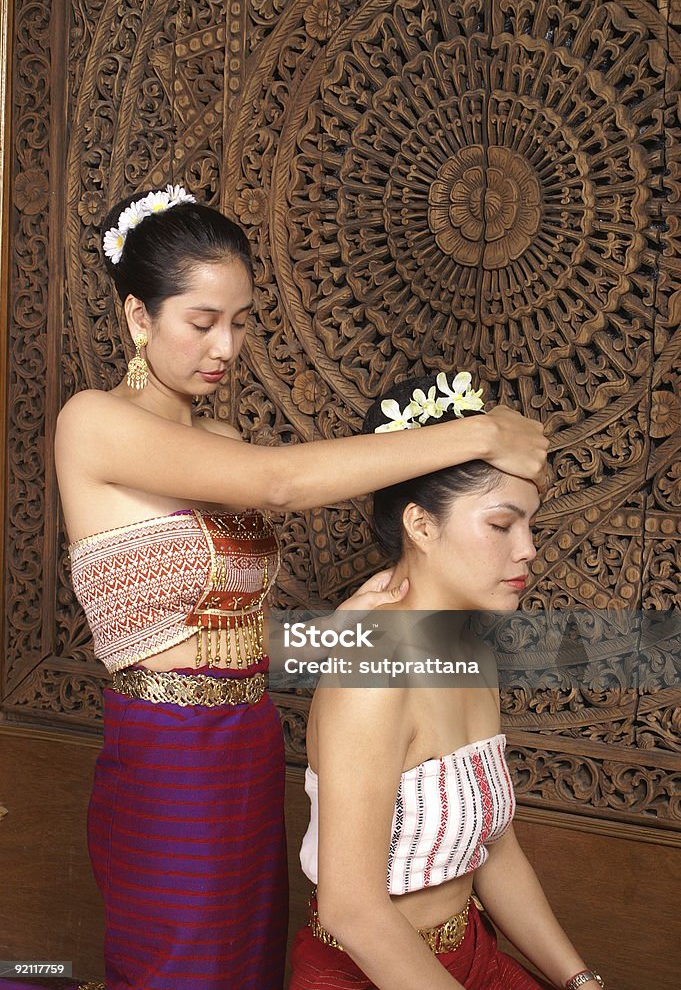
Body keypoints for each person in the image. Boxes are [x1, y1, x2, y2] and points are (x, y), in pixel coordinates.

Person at [43, 188, 547, 990]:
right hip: (165, 749)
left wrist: (336, 632)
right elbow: (278, 485)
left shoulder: (219, 439)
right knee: (180, 965)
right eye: (201, 322)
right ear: (139, 317)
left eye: (240, 322)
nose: (226, 347)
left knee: (246, 964)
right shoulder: (93, 421)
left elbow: (227, 633)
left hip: (246, 741)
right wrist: (475, 434)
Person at [289, 375, 606, 990]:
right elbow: (351, 910)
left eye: (531, 527)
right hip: (365, 973)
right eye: (501, 526)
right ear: (421, 525)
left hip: (473, 955)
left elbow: (495, 850)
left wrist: (580, 981)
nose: (529, 550)